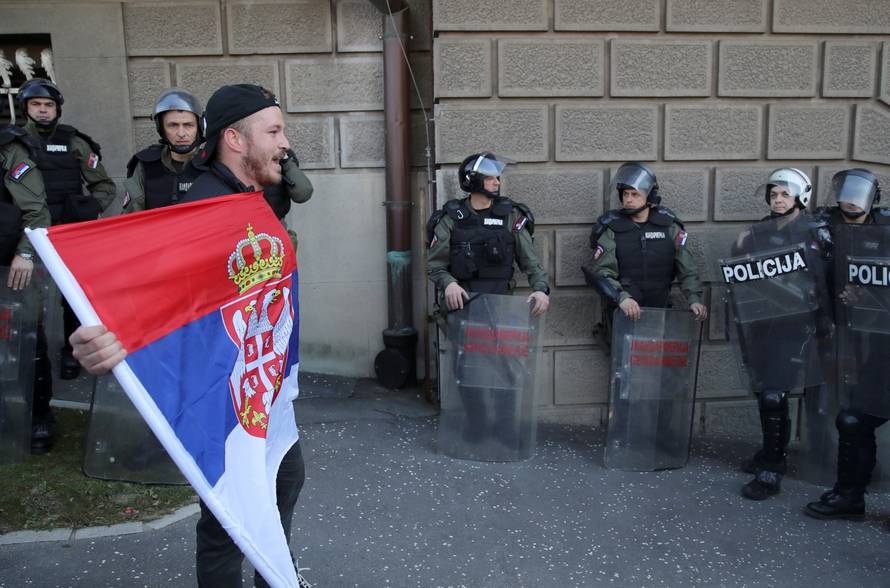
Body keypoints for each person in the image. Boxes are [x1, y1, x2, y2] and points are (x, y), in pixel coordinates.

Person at [69, 84, 310, 588]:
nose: (285, 142)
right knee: (228, 518)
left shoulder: (252, 195)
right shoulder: (202, 209)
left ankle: (279, 576)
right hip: (225, 400)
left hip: (262, 384)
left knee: (284, 482)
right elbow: (140, 288)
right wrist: (100, 338)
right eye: (274, 131)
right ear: (235, 139)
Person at [427, 152, 550, 451]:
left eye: (497, 177)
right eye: (491, 177)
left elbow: (530, 261)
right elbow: (434, 264)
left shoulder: (511, 215)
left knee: (507, 369)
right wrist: (449, 283)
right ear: (474, 181)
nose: (497, 181)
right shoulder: (451, 218)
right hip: (466, 308)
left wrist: (541, 289)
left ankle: (505, 428)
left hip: (501, 307)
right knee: (466, 369)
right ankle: (477, 426)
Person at [727, 168, 832, 500]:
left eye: (785, 193)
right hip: (761, 325)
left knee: (775, 394)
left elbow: (829, 280)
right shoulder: (757, 232)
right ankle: (770, 452)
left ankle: (772, 467)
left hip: (797, 328)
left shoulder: (816, 234)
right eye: (773, 194)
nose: (778, 199)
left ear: (800, 196)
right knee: (764, 392)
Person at [17, 78, 117, 380]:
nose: (43, 111)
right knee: (29, 302)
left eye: (49, 105)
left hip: (68, 235)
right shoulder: (13, 144)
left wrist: (88, 209)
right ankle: (33, 364)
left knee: (72, 299)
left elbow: (103, 185)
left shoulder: (74, 142)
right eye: (36, 105)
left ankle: (71, 355)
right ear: (25, 108)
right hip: (27, 237)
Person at [125, 88, 313, 248]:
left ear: (199, 126)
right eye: (173, 125)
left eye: (188, 125)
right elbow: (129, 226)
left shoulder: (219, 165)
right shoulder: (147, 166)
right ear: (161, 127)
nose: (181, 133)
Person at [805, 169, 890, 520]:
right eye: (845, 193)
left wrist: (867, 293)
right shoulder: (828, 233)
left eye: (858, 193)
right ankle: (850, 496)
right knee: (853, 420)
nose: (849, 200)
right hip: (869, 347)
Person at [584, 161, 707, 331]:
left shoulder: (669, 227)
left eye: (635, 194)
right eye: (625, 194)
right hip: (624, 313)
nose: (628, 200)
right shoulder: (612, 228)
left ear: (649, 197)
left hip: (660, 312)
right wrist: (622, 298)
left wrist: (694, 299)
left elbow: (688, 269)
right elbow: (603, 272)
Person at [0, 124, 56, 453]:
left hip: (12, 267)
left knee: (27, 341)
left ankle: (39, 416)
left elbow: (36, 210)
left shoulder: (10, 150)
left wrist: (25, 253)